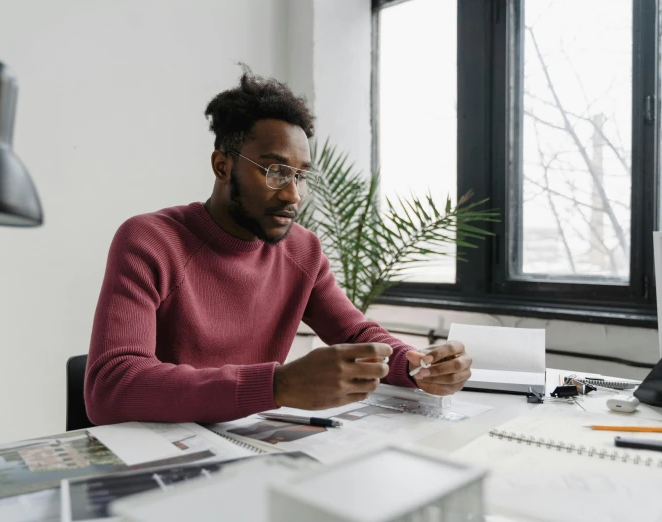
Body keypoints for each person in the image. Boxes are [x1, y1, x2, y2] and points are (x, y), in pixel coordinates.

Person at [84, 69, 472, 425]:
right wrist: (276, 385)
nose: (293, 194)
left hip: (250, 449)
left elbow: (356, 333)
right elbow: (112, 386)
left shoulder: (303, 251)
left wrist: (417, 365)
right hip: (160, 454)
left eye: (301, 176)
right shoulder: (151, 240)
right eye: (275, 171)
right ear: (222, 166)